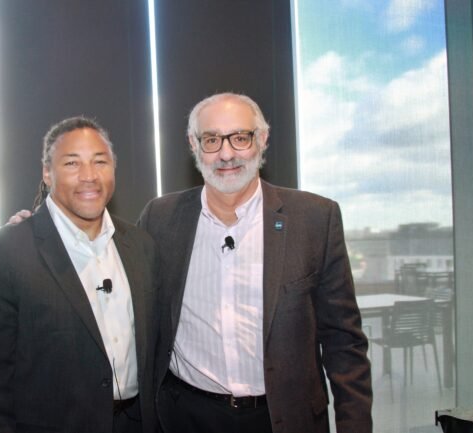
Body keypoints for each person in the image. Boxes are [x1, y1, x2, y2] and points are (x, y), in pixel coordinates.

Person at [136, 93, 372, 433]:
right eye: (212, 140)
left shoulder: (314, 219)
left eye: (240, 138)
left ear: (262, 139)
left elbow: (344, 342)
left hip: (283, 419)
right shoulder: (160, 218)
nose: (226, 154)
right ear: (193, 145)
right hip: (187, 417)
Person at [0, 117, 159, 433]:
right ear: (47, 172)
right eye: (72, 163)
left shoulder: (140, 245)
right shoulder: (5, 252)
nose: (89, 176)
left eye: (100, 162)